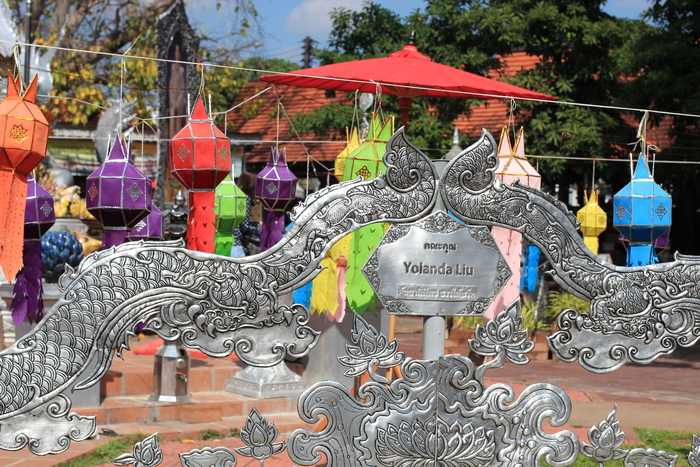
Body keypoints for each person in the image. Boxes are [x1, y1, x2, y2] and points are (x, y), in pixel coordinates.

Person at [231, 171, 261, 257]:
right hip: (237, 244)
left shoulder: (233, 195)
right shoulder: (244, 198)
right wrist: (261, 231)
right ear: (250, 185)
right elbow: (245, 226)